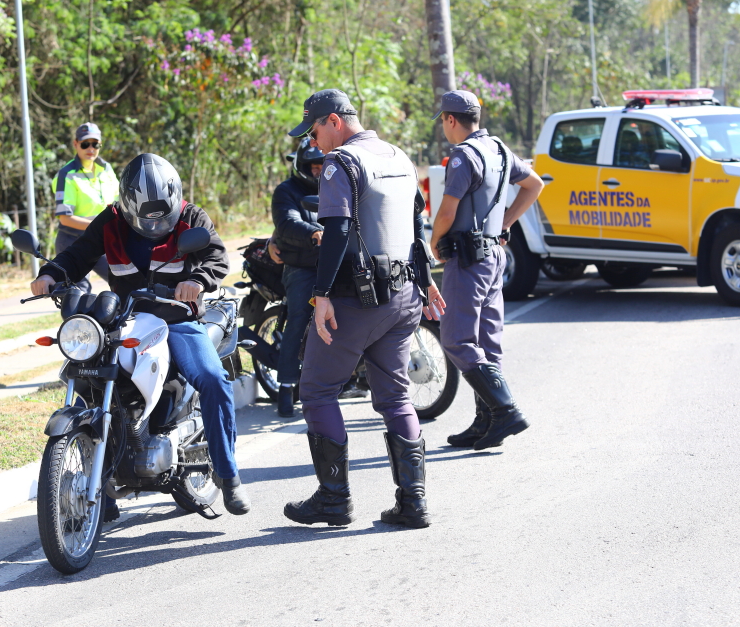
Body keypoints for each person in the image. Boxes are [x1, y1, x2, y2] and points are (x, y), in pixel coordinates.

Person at [31, 153, 251, 518]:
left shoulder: (191, 217)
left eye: (163, 217)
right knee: (93, 378)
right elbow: (78, 253)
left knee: (213, 379)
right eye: (144, 219)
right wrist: (51, 273)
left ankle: (228, 476)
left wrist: (195, 282)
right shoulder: (111, 221)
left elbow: (216, 257)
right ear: (128, 205)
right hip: (125, 321)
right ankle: (103, 488)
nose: (155, 226)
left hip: (178, 318)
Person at [282, 89, 445, 529]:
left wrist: (321, 296)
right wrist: (426, 280)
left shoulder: (342, 163)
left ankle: (334, 500)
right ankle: (413, 503)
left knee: (316, 391)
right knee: (394, 396)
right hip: (404, 297)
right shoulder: (397, 156)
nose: (314, 143)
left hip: (357, 299)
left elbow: (335, 232)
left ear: (334, 120)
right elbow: (416, 223)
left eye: (315, 130)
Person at [429, 90, 544, 451]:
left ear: (450, 120)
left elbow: (447, 213)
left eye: (443, 123)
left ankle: (505, 410)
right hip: (494, 256)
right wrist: (505, 223)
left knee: (456, 339)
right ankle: (487, 422)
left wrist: (434, 243)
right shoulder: (497, 148)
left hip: (467, 260)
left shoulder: (463, 156)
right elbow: (534, 185)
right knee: (485, 343)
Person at [267, 139, 368, 418]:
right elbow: (286, 223)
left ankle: (350, 377)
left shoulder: (337, 184)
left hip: (336, 264)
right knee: (300, 317)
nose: (318, 170)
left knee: (354, 311)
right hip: (302, 266)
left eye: (321, 165)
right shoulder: (286, 191)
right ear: (301, 166)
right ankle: (286, 387)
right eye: (313, 166)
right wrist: (315, 232)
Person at [51, 122, 118, 293]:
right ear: (75, 144)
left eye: (95, 144)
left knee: (123, 279)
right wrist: (100, 226)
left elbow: (120, 202)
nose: (91, 148)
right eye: (85, 143)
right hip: (72, 241)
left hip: (103, 238)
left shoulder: (107, 169)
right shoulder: (66, 174)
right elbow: (65, 218)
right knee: (78, 293)